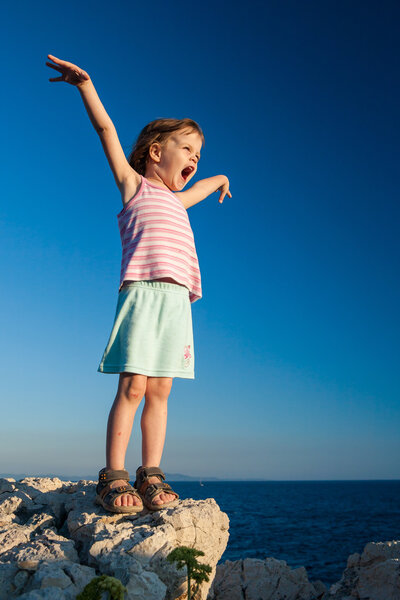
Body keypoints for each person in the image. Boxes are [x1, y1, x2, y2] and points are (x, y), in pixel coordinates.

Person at [46, 54, 231, 514]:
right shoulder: (135, 187)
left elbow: (202, 187)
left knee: (162, 390)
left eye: (198, 155)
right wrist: (86, 86)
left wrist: (221, 177)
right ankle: (113, 476)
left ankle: (151, 473)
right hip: (144, 293)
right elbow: (107, 132)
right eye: (187, 149)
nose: (194, 159)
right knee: (133, 386)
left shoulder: (180, 200)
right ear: (155, 152)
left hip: (177, 301)